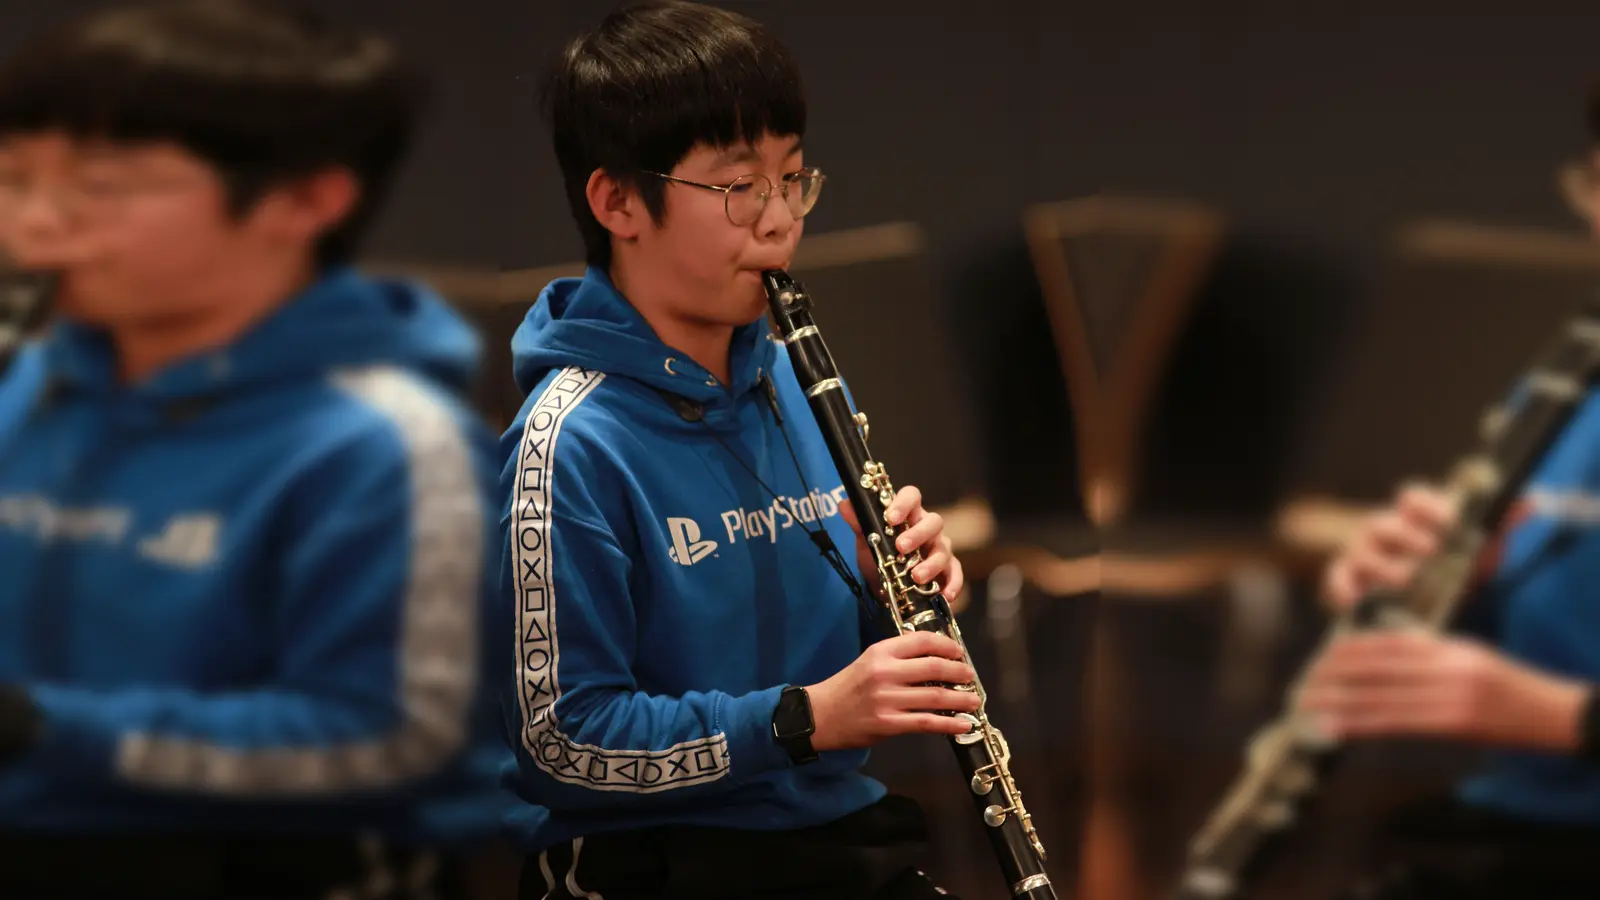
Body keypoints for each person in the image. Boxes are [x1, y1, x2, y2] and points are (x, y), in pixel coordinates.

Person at [0, 1, 512, 897]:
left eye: (102, 187)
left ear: (305, 198)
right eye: (13, 177)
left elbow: (393, 735)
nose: (36, 227)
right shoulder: (28, 385)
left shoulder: (385, 444)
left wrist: (44, 730)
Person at [497, 3, 977, 899]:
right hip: (651, 864)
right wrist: (803, 721)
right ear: (618, 202)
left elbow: (846, 662)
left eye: (794, 178)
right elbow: (560, 744)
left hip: (826, 841)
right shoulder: (568, 444)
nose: (780, 220)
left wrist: (892, 599)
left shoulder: (795, 381)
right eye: (738, 188)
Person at [1298, 85, 1600, 900]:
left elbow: (1538, 700)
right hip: (1527, 829)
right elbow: (1531, 625)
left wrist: (1565, 718)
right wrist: (1434, 591)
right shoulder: (1566, 392)